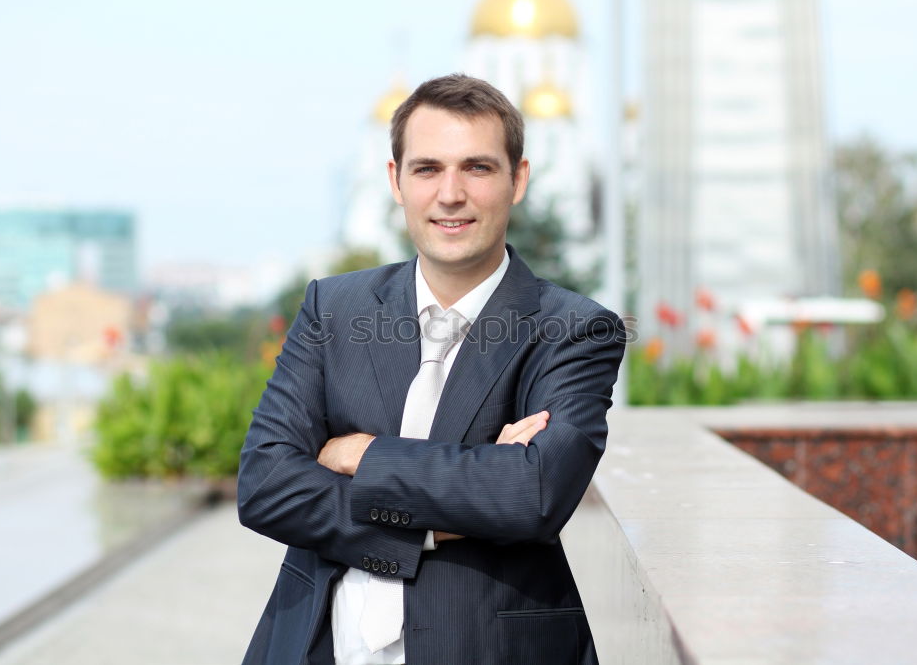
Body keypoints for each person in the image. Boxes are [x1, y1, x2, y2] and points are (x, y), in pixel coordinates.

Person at [237, 73, 626, 665]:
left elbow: (534, 494)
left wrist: (360, 455)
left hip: (490, 648)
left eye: (477, 167)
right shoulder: (333, 308)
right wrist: (439, 517)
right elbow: (266, 486)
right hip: (319, 644)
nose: (450, 194)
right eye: (426, 169)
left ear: (517, 179)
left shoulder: (573, 328)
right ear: (396, 180)